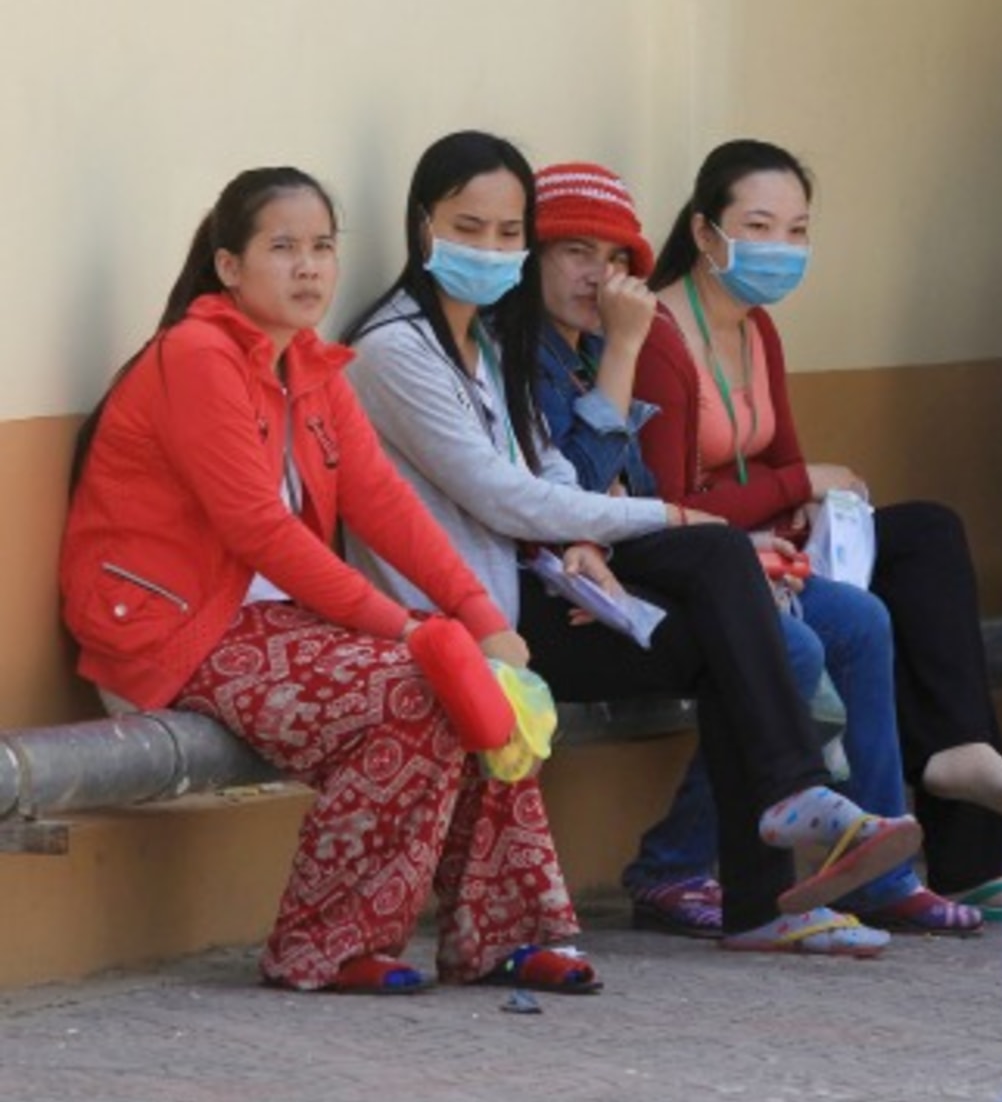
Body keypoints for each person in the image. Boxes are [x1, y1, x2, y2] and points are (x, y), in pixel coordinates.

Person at [340, 131, 920, 957]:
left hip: (539, 590)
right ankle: (789, 804)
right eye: (472, 229)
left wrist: (585, 533)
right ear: (420, 225)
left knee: (729, 615)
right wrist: (665, 518)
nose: (492, 250)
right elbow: (506, 495)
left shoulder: (485, 341)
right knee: (718, 559)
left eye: (508, 233)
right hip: (474, 620)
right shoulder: (395, 348)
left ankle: (762, 895)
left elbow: (547, 473)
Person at [61, 166, 590, 994]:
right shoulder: (197, 355)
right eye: (283, 248)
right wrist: (409, 631)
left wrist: (479, 615)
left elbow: (385, 504)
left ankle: (504, 936)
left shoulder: (310, 364)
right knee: (419, 688)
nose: (308, 268)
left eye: (321, 248)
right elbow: (257, 529)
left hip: (274, 631)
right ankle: (325, 945)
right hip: (178, 632)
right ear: (229, 266)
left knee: (483, 684)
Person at [521, 160, 982, 935]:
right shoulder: (627, 341)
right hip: (586, 587)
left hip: (664, 560)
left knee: (861, 620)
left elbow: (636, 490)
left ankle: (879, 869)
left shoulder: (669, 336)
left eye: (612, 259)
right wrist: (626, 355)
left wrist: (772, 539)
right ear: (703, 234)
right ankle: (692, 869)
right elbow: (621, 495)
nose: (596, 275)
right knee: (789, 646)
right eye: (572, 252)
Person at [635, 140, 1002, 915]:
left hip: (764, 551)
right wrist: (798, 486)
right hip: (691, 558)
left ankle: (899, 857)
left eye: (797, 230)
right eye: (760, 226)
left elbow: (783, 463)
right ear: (706, 232)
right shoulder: (658, 336)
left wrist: (807, 505)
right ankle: (685, 863)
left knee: (916, 550)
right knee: (831, 630)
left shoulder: (757, 328)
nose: (780, 249)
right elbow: (674, 502)